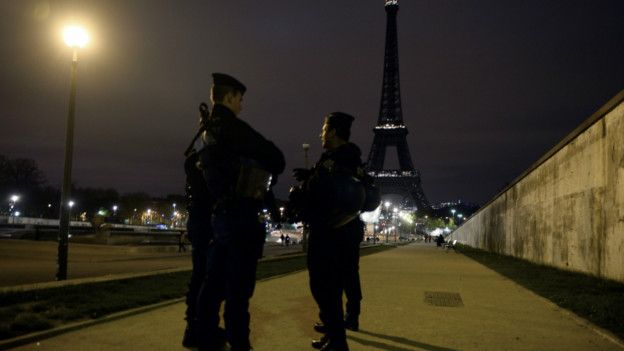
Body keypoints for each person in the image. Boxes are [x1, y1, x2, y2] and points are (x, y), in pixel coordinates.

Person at [195, 73, 285, 351]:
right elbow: (276, 159)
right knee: (239, 288)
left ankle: (206, 336)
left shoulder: (206, 131)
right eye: (240, 99)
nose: (242, 105)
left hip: (221, 214)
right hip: (242, 216)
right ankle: (239, 343)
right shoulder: (234, 129)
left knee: (213, 283)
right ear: (229, 97)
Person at [294, 112, 366, 351]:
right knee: (333, 286)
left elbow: (323, 190)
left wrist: (304, 188)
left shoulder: (335, 160)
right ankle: (336, 335)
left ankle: (338, 341)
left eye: (324, 129)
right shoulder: (350, 158)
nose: (321, 133)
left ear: (334, 132)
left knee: (323, 286)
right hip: (345, 228)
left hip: (330, 231)